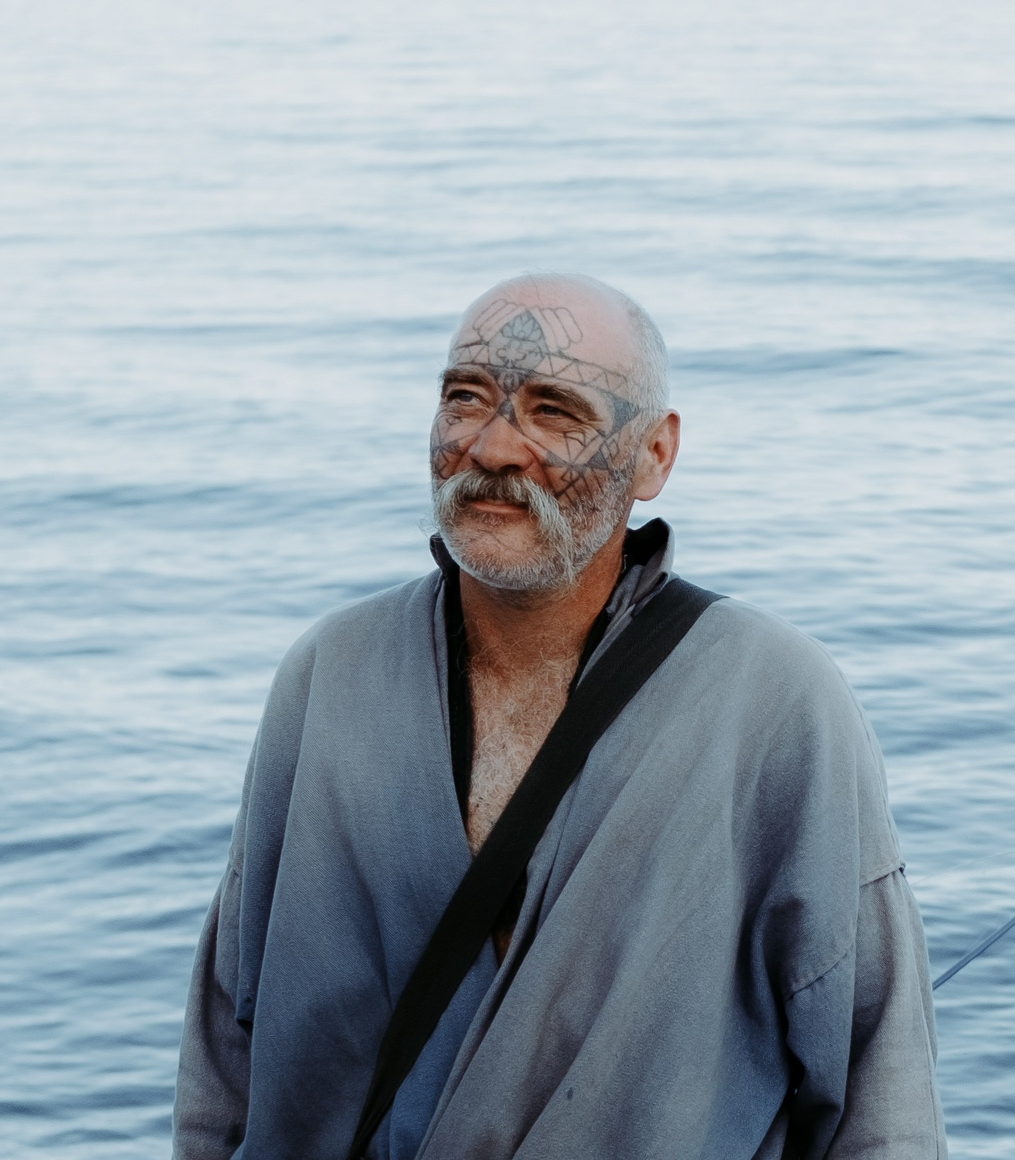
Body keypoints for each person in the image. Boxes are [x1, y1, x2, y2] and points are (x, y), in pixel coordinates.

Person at [172, 272, 947, 1159]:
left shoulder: (774, 703)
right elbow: (225, 1053)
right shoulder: (331, 678)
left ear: (654, 454)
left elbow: (879, 1089)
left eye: (554, 411)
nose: (495, 446)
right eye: (465, 399)